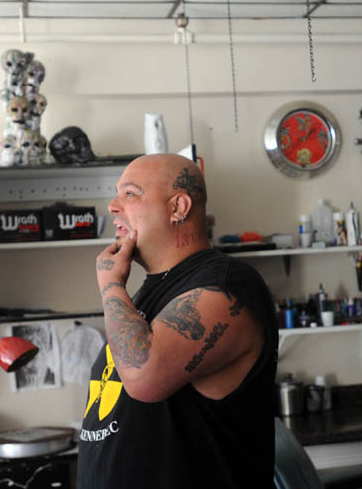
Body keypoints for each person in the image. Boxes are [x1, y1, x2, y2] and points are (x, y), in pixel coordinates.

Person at [76, 154, 278, 489]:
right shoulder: (146, 293)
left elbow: (143, 377)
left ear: (178, 207)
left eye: (130, 194)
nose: (113, 206)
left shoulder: (226, 287)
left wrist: (111, 285)